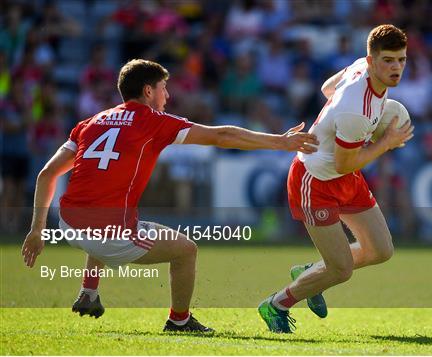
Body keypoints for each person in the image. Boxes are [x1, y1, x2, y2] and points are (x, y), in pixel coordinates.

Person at [21, 59, 318, 333]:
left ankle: (88, 292)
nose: (167, 96)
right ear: (148, 90)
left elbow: (46, 174)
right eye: (164, 89)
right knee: (186, 250)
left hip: (68, 224)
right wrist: (281, 141)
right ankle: (180, 320)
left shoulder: (91, 122)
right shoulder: (153, 121)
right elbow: (222, 136)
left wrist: (37, 230)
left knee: (101, 206)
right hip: (106, 234)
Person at [258, 24, 414, 333]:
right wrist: (385, 142)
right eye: (387, 60)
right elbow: (344, 164)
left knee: (381, 250)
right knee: (341, 269)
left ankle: (312, 274)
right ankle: (276, 304)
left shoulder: (359, 68)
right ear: (371, 61)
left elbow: (327, 88)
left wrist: (336, 120)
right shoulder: (356, 111)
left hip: (344, 173)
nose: (396, 68)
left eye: (401, 59)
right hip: (315, 181)